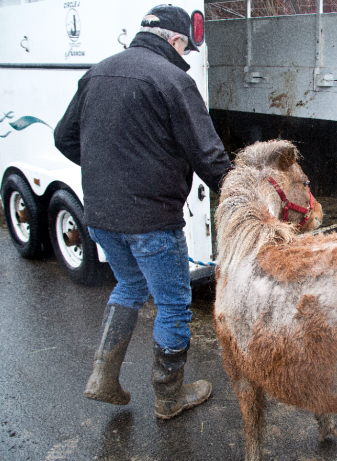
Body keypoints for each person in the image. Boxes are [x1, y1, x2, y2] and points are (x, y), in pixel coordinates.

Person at [54, 5, 232, 419]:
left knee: (129, 286)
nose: (185, 56)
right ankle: (170, 396)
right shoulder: (173, 80)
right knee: (173, 303)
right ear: (174, 40)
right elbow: (209, 157)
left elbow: (64, 139)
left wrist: (110, 172)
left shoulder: (98, 71)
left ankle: (103, 377)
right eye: (185, 47)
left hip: (99, 216)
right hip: (152, 220)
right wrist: (244, 198)